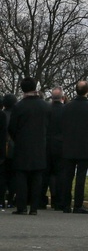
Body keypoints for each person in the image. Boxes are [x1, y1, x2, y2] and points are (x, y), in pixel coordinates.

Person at [59, 80, 88, 214]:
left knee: (68, 176)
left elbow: (62, 126)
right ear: (87, 91)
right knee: (81, 177)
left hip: (68, 145)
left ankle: (65, 204)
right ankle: (78, 205)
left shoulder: (66, 107)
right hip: (85, 146)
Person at [9, 78, 50, 215]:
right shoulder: (45, 106)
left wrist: (17, 138)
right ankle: (34, 207)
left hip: (22, 145)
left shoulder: (18, 106)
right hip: (40, 145)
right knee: (37, 177)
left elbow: (12, 127)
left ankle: (21, 207)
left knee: (21, 177)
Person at [46, 86, 66, 210]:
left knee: (48, 173)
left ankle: (45, 197)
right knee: (60, 173)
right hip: (61, 144)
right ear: (62, 97)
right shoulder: (66, 110)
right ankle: (58, 200)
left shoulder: (47, 110)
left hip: (47, 143)